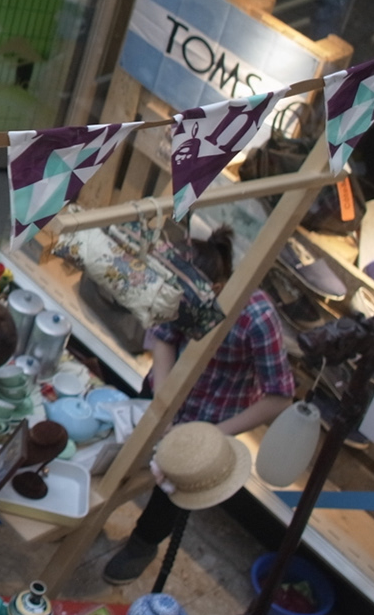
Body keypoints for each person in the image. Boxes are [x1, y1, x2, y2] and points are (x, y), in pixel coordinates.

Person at [103, 237, 294, 585]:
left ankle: (142, 544)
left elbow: (280, 396)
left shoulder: (257, 318)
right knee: (122, 452)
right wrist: (163, 399)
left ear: (215, 289)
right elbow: (164, 336)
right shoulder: (179, 288)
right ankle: (91, 514)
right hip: (167, 391)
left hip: (213, 417)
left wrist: (211, 437)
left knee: (172, 492)